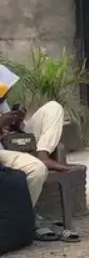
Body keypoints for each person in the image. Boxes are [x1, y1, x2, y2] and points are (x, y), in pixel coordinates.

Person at [0, 63, 70, 209]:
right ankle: (20, 216)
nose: (6, 95)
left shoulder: (2, 102)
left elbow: (14, 134)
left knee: (53, 108)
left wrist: (16, 125)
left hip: (17, 143)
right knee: (36, 170)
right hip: (3, 153)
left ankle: (43, 154)